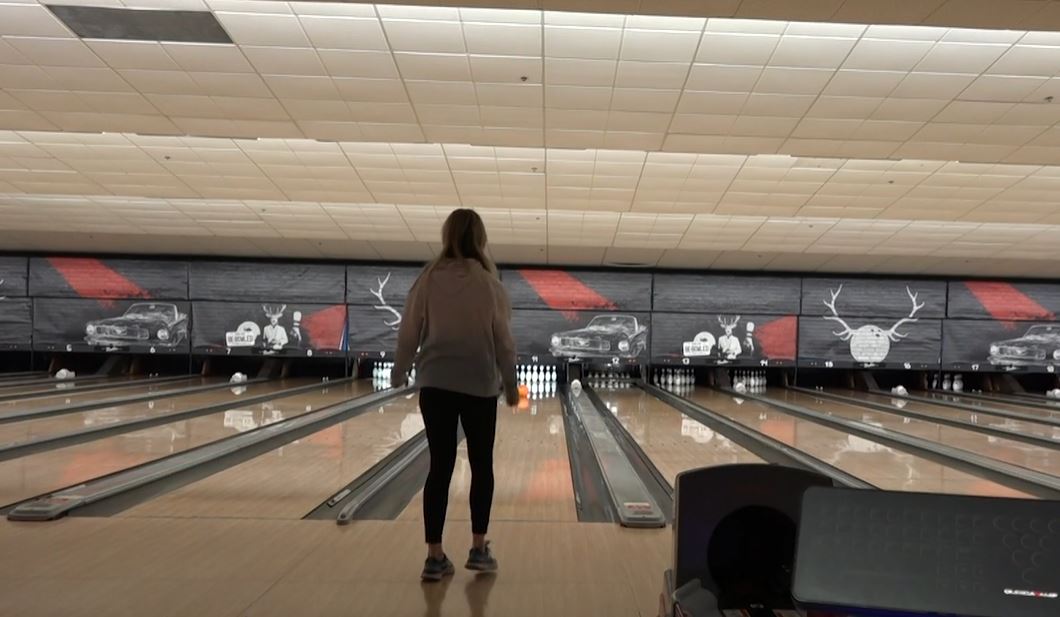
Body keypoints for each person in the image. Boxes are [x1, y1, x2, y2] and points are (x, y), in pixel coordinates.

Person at [391, 208, 518, 582]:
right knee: (482, 466)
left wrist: (398, 373)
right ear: (480, 239)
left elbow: (408, 331)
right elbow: (504, 343)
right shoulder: (490, 285)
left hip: (436, 384)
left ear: (447, 236)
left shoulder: (427, 280)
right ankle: (478, 549)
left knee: (440, 467)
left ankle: (434, 556)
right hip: (479, 384)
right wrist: (511, 384)